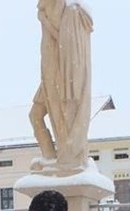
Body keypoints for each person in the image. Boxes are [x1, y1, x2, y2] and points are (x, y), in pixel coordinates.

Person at [29, 0, 93, 174]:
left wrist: (44, 20)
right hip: (49, 77)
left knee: (64, 122)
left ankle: (67, 159)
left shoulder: (72, 12)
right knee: (35, 115)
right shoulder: (59, 9)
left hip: (62, 77)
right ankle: (50, 157)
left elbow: (65, 38)